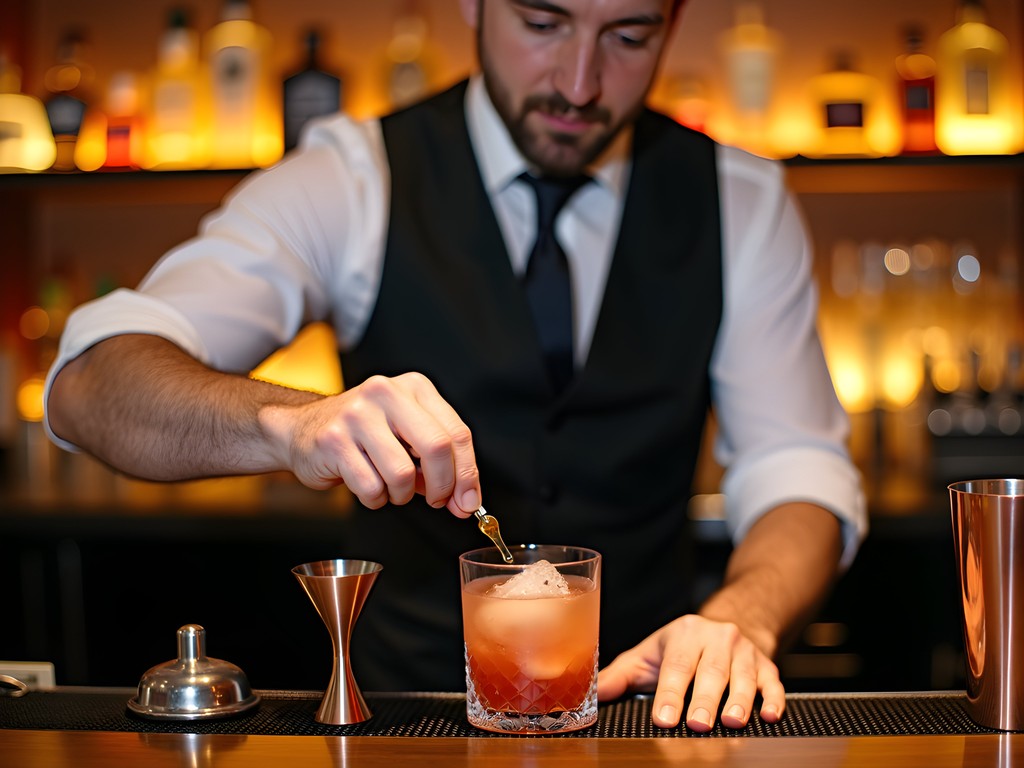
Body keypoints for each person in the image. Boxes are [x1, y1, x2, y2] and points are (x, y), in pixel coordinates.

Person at [45, 0, 866, 732]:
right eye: (543, 23)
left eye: (627, 34)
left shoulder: (740, 198)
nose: (579, 84)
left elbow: (798, 467)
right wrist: (292, 423)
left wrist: (745, 619)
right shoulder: (354, 177)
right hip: (405, 724)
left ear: (674, 26)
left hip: (651, 727)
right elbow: (92, 384)